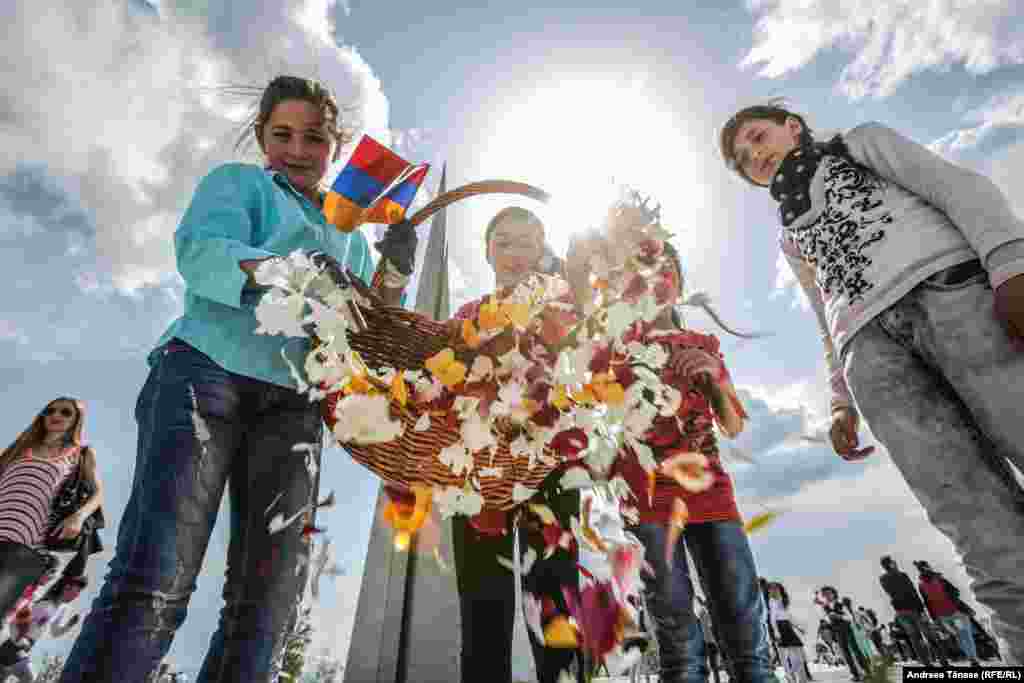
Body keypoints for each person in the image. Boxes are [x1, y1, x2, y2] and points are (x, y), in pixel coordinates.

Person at [60, 75, 417, 683]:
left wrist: (394, 271)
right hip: (205, 373)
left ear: (336, 145)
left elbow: (368, 323)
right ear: (261, 137)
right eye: (282, 134)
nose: (298, 150)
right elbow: (201, 250)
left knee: (268, 602)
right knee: (158, 576)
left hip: (296, 404)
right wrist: (284, 270)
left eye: (315, 138)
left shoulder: (349, 230)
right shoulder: (240, 184)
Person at [719, 103, 1024, 664]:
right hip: (873, 356)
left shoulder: (858, 145)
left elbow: (959, 188)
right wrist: (840, 397)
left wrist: (1009, 264)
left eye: (758, 138)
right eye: (743, 161)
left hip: (952, 297)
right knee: (972, 520)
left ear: (793, 126)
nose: (755, 156)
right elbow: (820, 313)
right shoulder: (790, 233)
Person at [574, 202, 771, 683]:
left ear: (678, 281)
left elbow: (734, 426)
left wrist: (714, 382)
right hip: (647, 505)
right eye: (639, 269)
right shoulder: (610, 348)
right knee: (676, 631)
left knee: (745, 626)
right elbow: (596, 422)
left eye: (663, 268)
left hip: (714, 498)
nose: (652, 277)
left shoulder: (702, 345)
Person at [428, 206, 581, 683]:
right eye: (504, 242)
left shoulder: (563, 309)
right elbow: (438, 386)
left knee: (555, 607)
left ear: (543, 251)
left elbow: (584, 374)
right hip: (478, 477)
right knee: (482, 614)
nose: (516, 253)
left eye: (528, 242)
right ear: (487, 251)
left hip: (548, 470)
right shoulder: (466, 317)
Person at [0, 398, 103, 619]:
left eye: (66, 412)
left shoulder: (80, 453)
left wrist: (78, 517)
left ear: (76, 420)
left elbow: (97, 494)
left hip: (25, 548)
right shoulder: (19, 449)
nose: (56, 415)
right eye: (50, 411)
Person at [0, 574, 87, 682]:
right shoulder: (45, 603)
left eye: (78, 594)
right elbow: (16, 622)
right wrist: (21, 640)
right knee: (30, 677)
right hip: (13, 647)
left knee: (25, 677)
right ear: (66, 587)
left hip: (24, 648)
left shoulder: (63, 609)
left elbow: (55, 632)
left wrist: (69, 625)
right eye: (75, 591)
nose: (76, 596)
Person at [915, 561, 981, 666]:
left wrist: (934, 618)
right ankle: (973, 659)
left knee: (959, 636)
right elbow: (955, 592)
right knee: (965, 635)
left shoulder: (921, 585)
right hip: (954, 613)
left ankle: (971, 658)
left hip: (942, 616)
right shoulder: (939, 579)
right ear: (928, 567)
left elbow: (927, 603)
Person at [878, 556, 935, 664]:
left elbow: (891, 591)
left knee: (914, 637)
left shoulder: (883, 578)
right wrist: (922, 609)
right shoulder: (901, 575)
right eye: (893, 562)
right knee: (927, 634)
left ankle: (926, 662)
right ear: (890, 564)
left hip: (900, 611)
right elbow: (912, 591)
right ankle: (941, 660)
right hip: (912, 608)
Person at [815, 587, 869, 681]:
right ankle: (855, 674)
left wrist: (838, 616)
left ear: (833, 593)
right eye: (825, 594)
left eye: (829, 593)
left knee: (856, 650)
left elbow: (849, 617)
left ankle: (867, 671)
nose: (827, 596)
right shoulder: (825, 607)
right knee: (846, 653)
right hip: (837, 631)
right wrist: (828, 616)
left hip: (847, 629)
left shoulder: (841, 603)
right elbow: (826, 620)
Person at [766, 582, 809, 683]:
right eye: (771, 589)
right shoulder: (771, 602)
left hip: (788, 627)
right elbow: (773, 618)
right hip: (780, 628)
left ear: (780, 590)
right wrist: (777, 633)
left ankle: (798, 678)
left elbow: (789, 616)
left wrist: (799, 627)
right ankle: (791, 677)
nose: (773, 591)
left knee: (797, 655)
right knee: (786, 658)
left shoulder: (783, 601)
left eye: (775, 589)